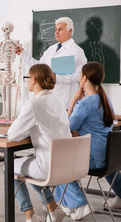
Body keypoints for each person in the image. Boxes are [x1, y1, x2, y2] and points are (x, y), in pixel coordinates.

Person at [54, 62, 121, 220]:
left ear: (84, 78)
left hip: (92, 159)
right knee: (64, 161)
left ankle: (78, 203)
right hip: (109, 158)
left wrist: (73, 101)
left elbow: (68, 126)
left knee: (58, 165)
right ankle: (64, 203)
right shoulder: (105, 100)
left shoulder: (84, 103)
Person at [8, 64, 71, 222]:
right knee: (28, 165)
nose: (26, 82)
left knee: (7, 167)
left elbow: (12, 134)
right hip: (67, 165)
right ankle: (52, 207)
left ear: (33, 79)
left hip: (48, 168)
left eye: (26, 78)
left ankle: (30, 215)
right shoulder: (57, 101)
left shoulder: (33, 104)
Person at [15, 17, 87, 108]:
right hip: (48, 98)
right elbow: (39, 68)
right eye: (56, 29)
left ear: (70, 31)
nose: (56, 32)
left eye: (60, 29)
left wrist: (56, 77)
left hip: (65, 101)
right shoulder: (51, 49)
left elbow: (80, 76)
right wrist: (22, 54)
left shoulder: (77, 51)